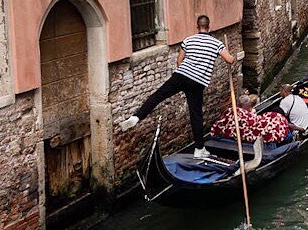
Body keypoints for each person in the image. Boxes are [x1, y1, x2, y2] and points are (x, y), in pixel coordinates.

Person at [118, 14, 243, 159]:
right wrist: (231, 56)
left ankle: (136, 117)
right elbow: (229, 59)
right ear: (209, 26)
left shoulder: (188, 40)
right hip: (197, 82)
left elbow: (179, 61)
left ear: (197, 26)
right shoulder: (216, 44)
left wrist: (185, 74)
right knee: (196, 115)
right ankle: (199, 149)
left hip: (181, 75)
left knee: (157, 96)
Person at [211, 93, 291, 144]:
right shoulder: (237, 112)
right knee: (274, 121)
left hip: (248, 125)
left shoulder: (237, 111)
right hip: (248, 130)